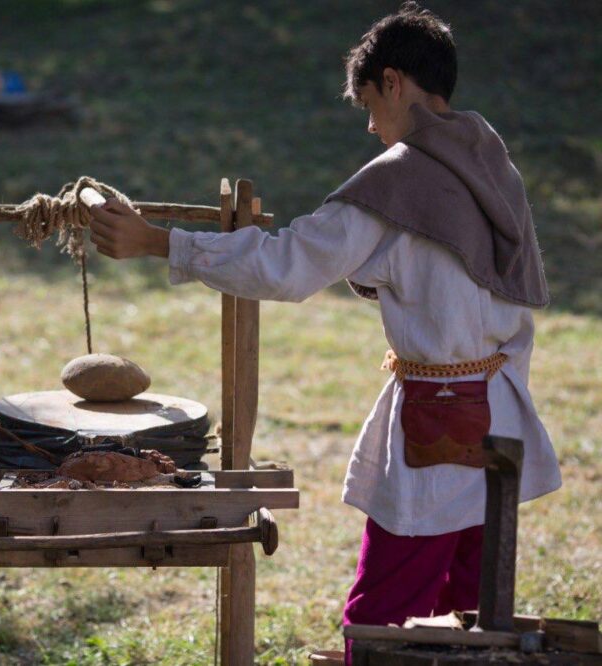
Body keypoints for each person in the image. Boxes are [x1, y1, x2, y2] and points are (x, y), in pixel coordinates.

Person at [85, 3, 560, 662]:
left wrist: (162, 243)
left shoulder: (401, 179)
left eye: (370, 103)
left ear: (394, 82)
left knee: (389, 613)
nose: (371, 126)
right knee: (471, 606)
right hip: (500, 418)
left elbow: (287, 264)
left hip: (443, 429)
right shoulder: (491, 162)